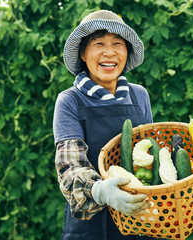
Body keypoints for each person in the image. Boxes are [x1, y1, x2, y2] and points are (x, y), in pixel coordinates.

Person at [53, 10, 159, 240]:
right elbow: (69, 169)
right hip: (90, 229)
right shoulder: (70, 100)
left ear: (127, 51)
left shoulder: (139, 95)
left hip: (138, 221)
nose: (109, 52)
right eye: (99, 43)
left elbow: (151, 159)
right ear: (83, 53)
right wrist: (100, 191)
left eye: (117, 44)